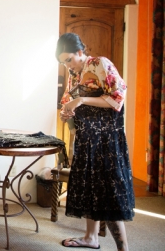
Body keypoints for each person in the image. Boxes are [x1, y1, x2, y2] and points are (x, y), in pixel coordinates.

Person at [56, 33, 134, 250]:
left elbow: (116, 99)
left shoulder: (101, 64)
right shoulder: (74, 74)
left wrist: (80, 100)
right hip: (86, 139)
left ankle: (123, 248)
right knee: (91, 189)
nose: (67, 65)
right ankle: (91, 238)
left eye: (69, 59)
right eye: (63, 62)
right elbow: (67, 104)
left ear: (80, 52)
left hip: (106, 140)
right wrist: (66, 113)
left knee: (108, 191)